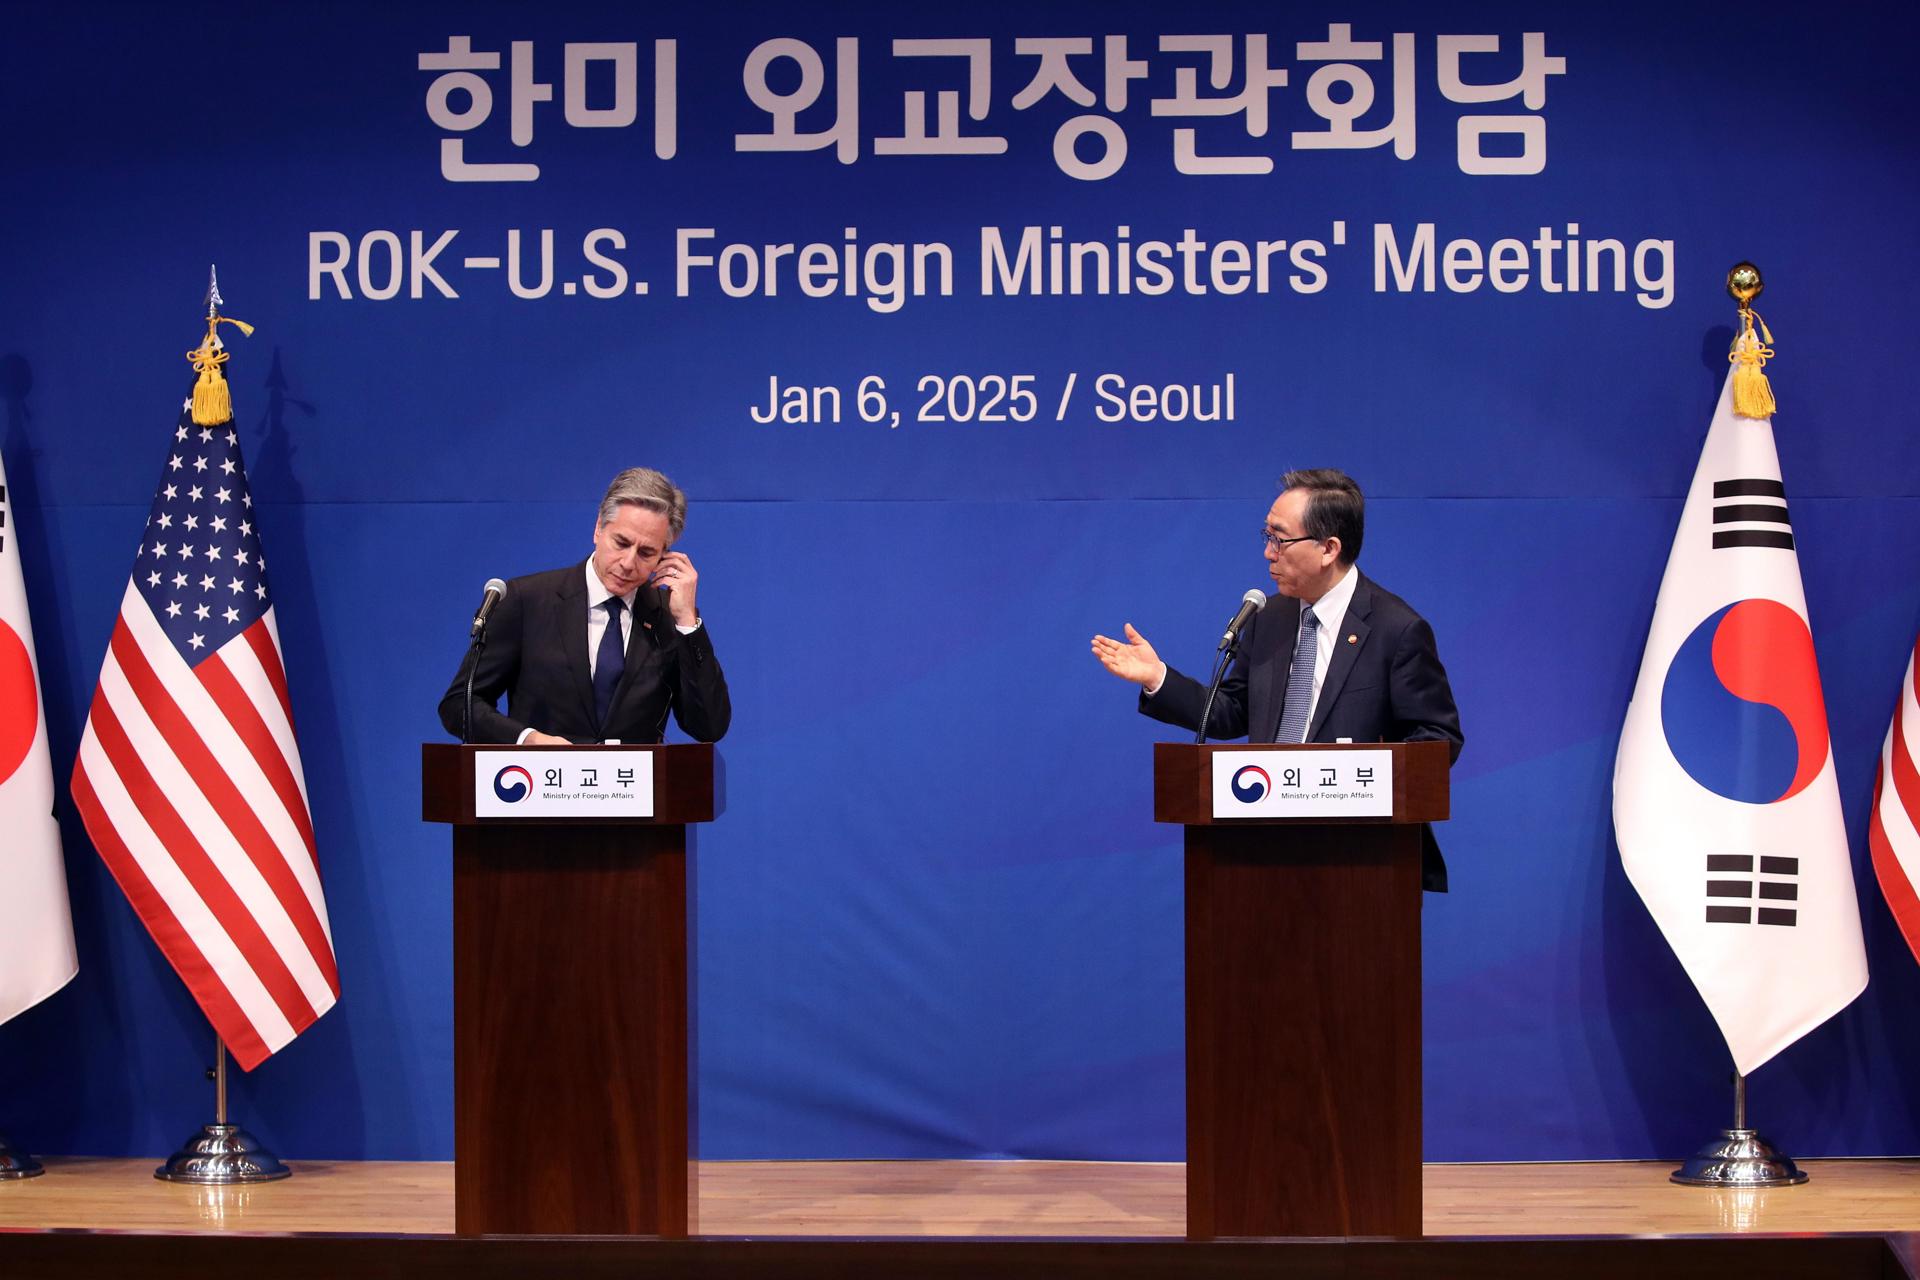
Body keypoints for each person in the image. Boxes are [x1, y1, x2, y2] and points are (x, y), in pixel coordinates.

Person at [1092, 468, 1461, 890]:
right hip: (1261, 849)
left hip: (1363, 863)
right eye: (1266, 536)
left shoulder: (1397, 630)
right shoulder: (1269, 617)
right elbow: (1232, 712)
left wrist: (1363, 774)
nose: (1269, 553)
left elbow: (1438, 739)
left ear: (1328, 548)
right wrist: (1158, 676)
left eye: (1280, 540)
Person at [439, 467, 731, 745]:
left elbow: (709, 726)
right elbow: (460, 705)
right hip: (543, 788)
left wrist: (688, 625)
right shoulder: (526, 601)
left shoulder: (669, 618)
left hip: (632, 793)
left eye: (646, 552)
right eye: (621, 542)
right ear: (598, 529)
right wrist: (527, 740)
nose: (628, 563)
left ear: (664, 555)